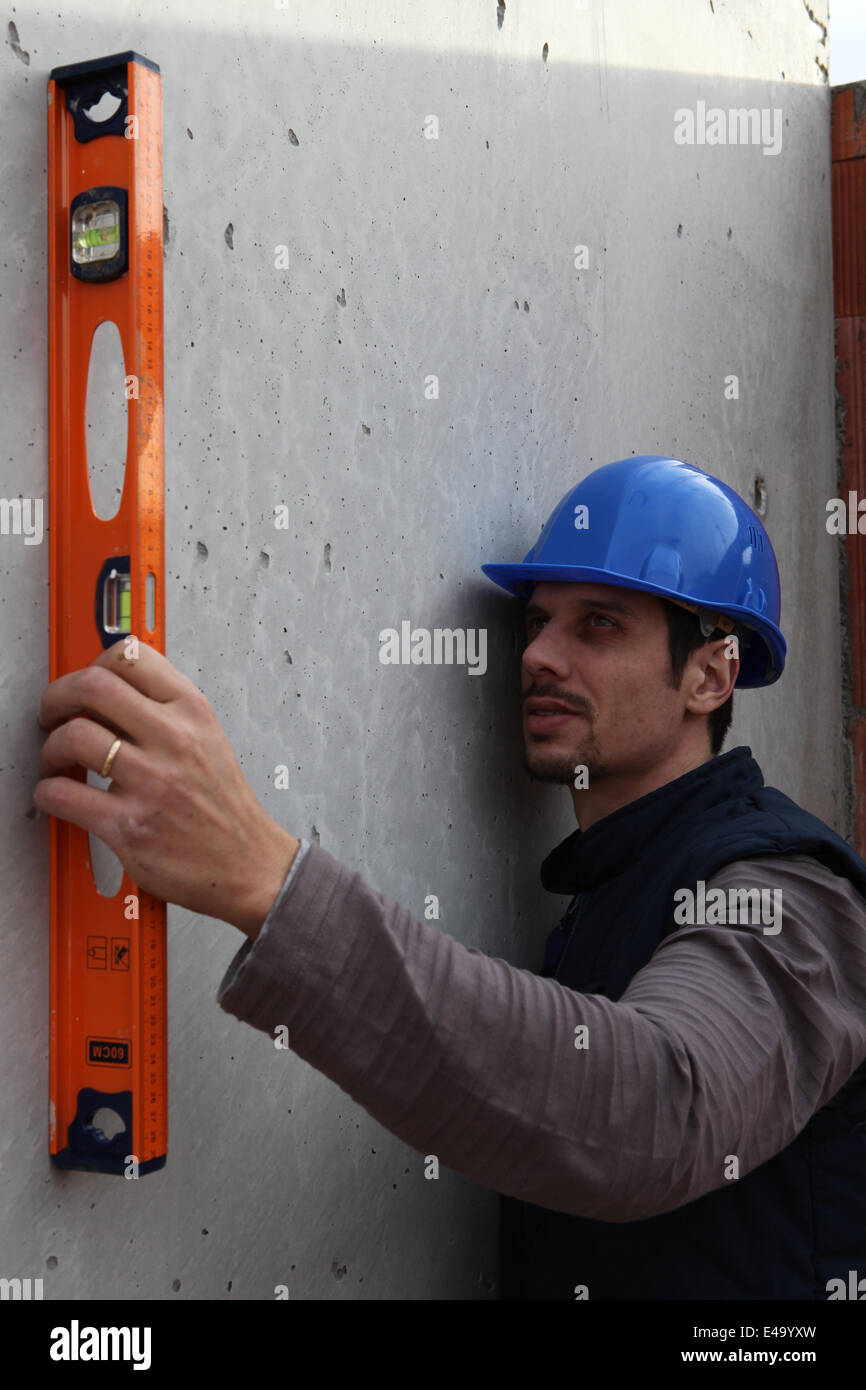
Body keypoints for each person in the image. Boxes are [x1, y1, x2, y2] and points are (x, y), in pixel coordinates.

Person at [34, 454, 866, 1301]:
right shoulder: (616, 884)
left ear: (710, 675)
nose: (539, 653)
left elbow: (660, 1107)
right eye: (537, 623)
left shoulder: (788, 891)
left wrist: (264, 878)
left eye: (599, 625)